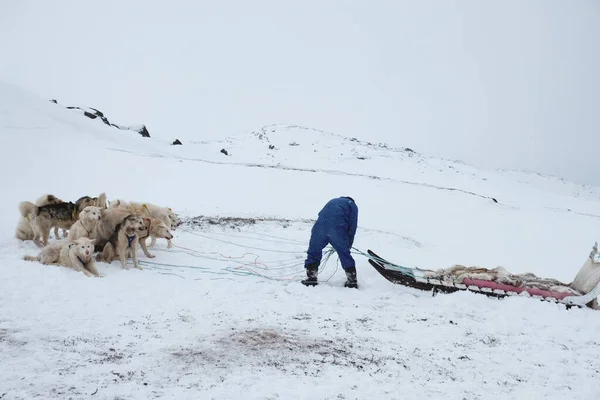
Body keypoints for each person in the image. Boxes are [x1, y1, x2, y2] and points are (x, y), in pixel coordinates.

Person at [301, 196, 359, 288]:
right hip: (337, 228)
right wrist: (348, 244)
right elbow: (352, 226)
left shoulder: (333, 201)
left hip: (320, 227)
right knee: (344, 254)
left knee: (314, 250)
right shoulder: (352, 205)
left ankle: (311, 277)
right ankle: (352, 280)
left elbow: (322, 214)